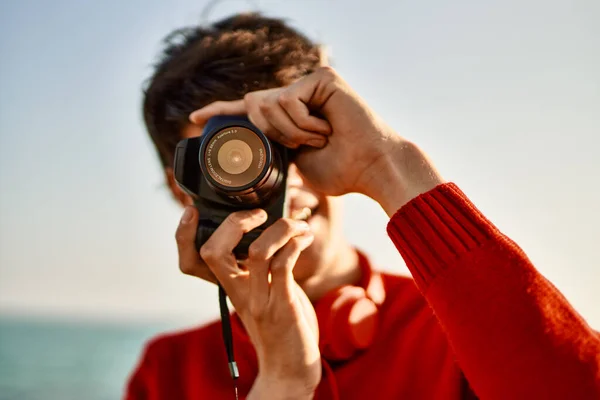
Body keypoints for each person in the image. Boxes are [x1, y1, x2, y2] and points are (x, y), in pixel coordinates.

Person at [125, 13, 600, 400]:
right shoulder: (167, 374)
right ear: (180, 186)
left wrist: (387, 164)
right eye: (231, 162)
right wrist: (283, 383)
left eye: (287, 146)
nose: (280, 184)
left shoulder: (458, 328)